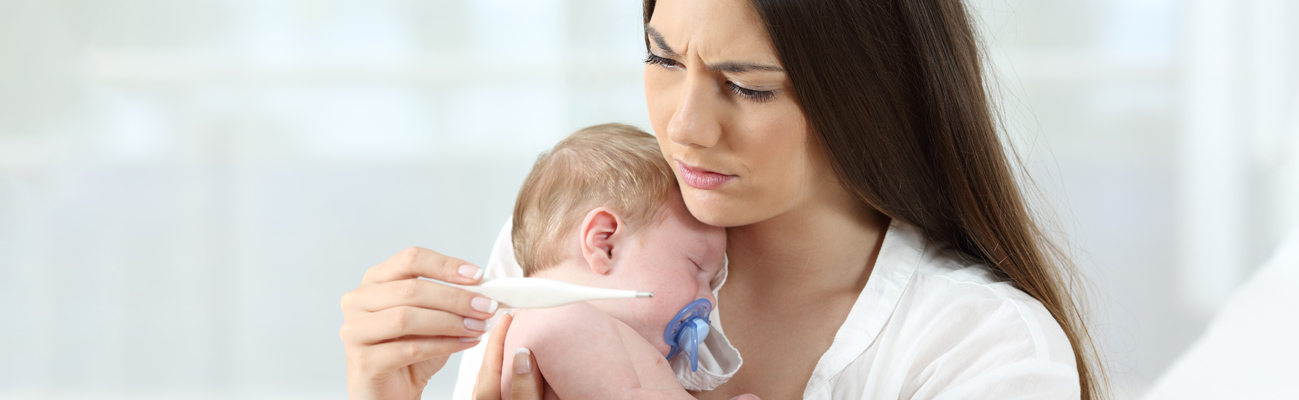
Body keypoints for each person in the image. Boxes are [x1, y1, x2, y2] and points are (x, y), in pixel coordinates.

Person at [341, 0, 1106, 398]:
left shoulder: (979, 347)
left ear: (870, 97)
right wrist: (382, 394)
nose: (685, 126)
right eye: (663, 58)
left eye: (747, 86)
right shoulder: (589, 242)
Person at [497, 123, 737, 398]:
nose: (711, 300)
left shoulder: (594, 331)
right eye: (695, 267)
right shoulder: (556, 320)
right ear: (605, 244)